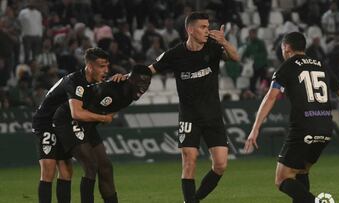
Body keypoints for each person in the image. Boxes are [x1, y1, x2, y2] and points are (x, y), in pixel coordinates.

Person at [244, 32, 339, 203]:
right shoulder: (321, 65)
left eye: (282, 50)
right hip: (326, 128)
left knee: (282, 179)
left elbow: (271, 97)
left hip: (304, 128)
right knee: (301, 172)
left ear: (287, 48)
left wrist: (255, 129)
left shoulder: (288, 66)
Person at [148, 11, 240, 203]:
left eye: (208, 27)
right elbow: (150, 70)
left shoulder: (213, 47)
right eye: (203, 27)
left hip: (213, 114)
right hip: (189, 115)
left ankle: (193, 200)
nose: (208, 30)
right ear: (190, 29)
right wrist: (128, 77)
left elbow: (235, 57)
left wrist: (224, 41)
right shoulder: (175, 54)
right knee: (189, 160)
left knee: (221, 165)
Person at [52, 64, 151, 203]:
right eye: (141, 82)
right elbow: (83, 110)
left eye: (147, 83)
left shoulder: (129, 95)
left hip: (88, 124)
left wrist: (105, 117)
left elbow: (106, 115)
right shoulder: (110, 88)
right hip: (70, 120)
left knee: (105, 167)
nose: (144, 87)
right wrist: (104, 117)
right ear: (131, 79)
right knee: (90, 166)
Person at [32, 47, 116, 203]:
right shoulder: (76, 81)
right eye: (102, 66)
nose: (106, 70)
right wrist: (103, 119)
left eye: (107, 66)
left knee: (66, 171)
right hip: (45, 123)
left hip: (63, 124)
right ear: (90, 66)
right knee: (48, 170)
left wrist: (120, 79)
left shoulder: (92, 82)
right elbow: (77, 113)